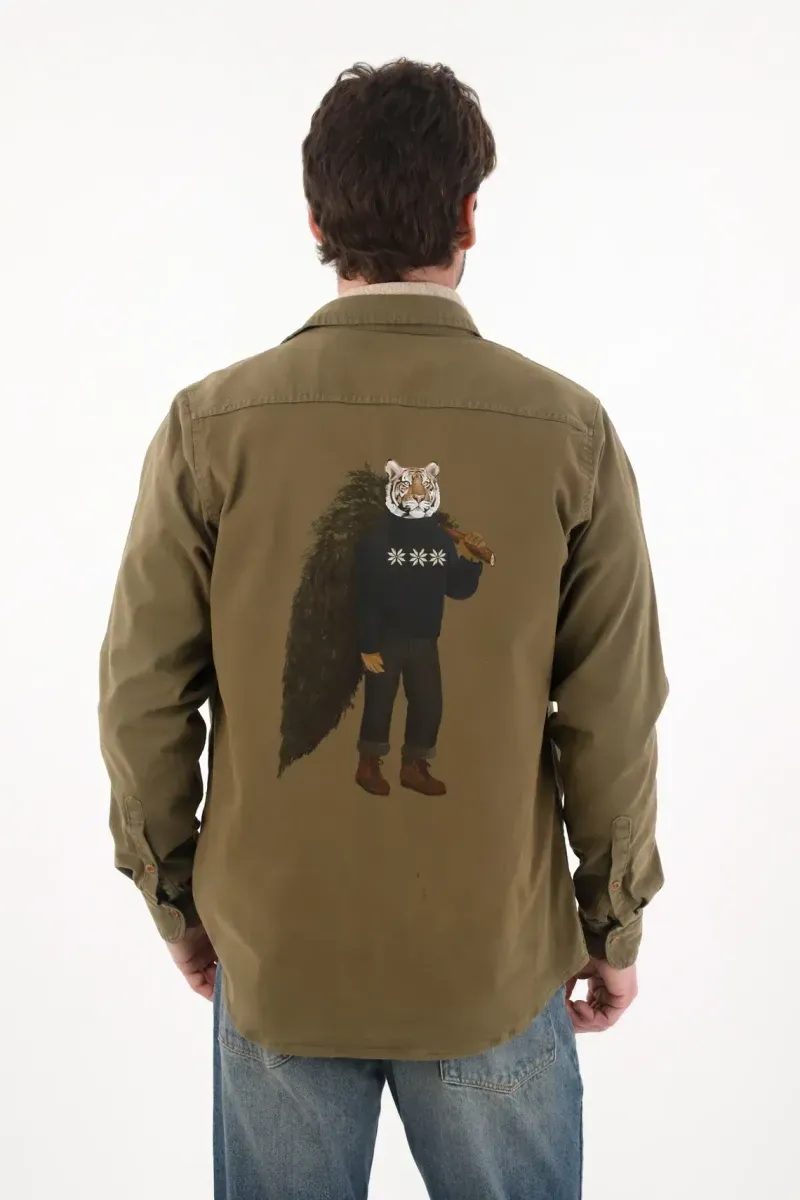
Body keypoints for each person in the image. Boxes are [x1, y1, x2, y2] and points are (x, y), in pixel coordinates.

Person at [99, 58, 668, 1200]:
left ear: (316, 221)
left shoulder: (213, 427)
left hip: (280, 956)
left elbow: (143, 696)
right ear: (468, 215)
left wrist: (176, 900)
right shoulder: (569, 433)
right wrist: (611, 924)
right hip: (490, 963)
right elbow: (611, 714)